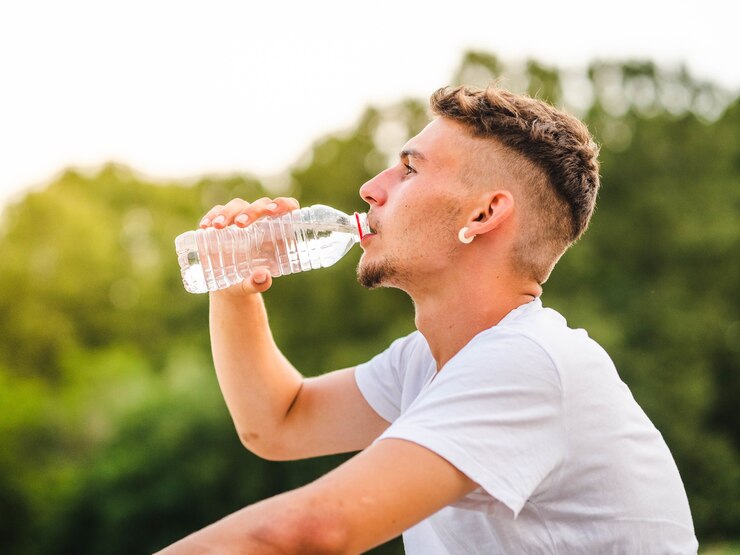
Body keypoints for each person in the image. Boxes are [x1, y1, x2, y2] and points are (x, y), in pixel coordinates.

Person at [156, 85, 698, 554]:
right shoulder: (429, 362)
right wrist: (233, 289)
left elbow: (315, 531)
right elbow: (278, 422)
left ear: (483, 215)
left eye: (409, 169)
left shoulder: (528, 362)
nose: (372, 187)